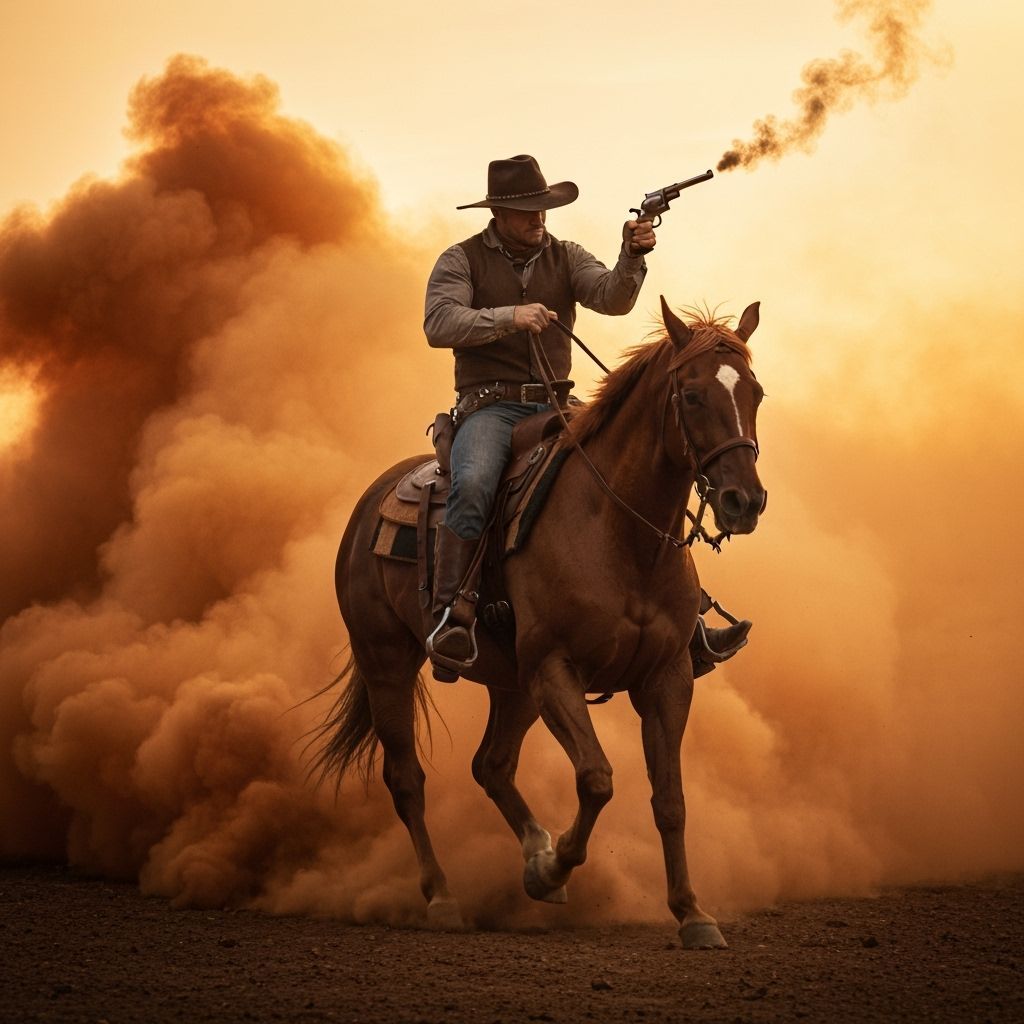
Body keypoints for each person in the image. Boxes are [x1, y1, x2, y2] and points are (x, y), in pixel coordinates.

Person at [422, 154, 749, 679]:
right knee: (476, 482)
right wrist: (509, 316)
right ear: (499, 213)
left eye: (543, 208)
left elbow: (612, 298)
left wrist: (632, 256)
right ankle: (451, 615)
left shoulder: (566, 255)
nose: (539, 218)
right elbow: (439, 323)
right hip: (490, 407)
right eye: (528, 210)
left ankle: (687, 618)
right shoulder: (459, 261)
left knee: (638, 470)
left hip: (559, 402)